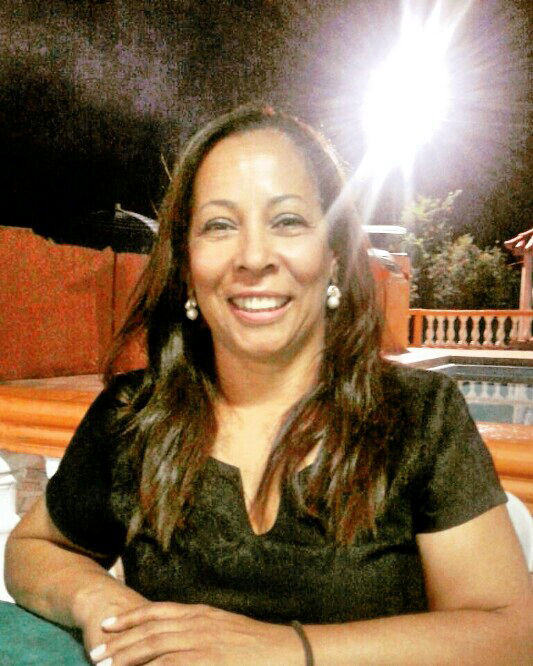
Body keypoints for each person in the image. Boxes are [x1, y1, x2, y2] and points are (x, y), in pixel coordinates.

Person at [5, 106, 533, 665]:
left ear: (333, 256)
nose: (254, 258)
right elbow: (34, 548)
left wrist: (286, 649)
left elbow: (510, 634)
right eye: (219, 225)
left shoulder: (418, 417)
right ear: (187, 266)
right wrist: (102, 603)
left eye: (287, 221)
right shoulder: (136, 415)